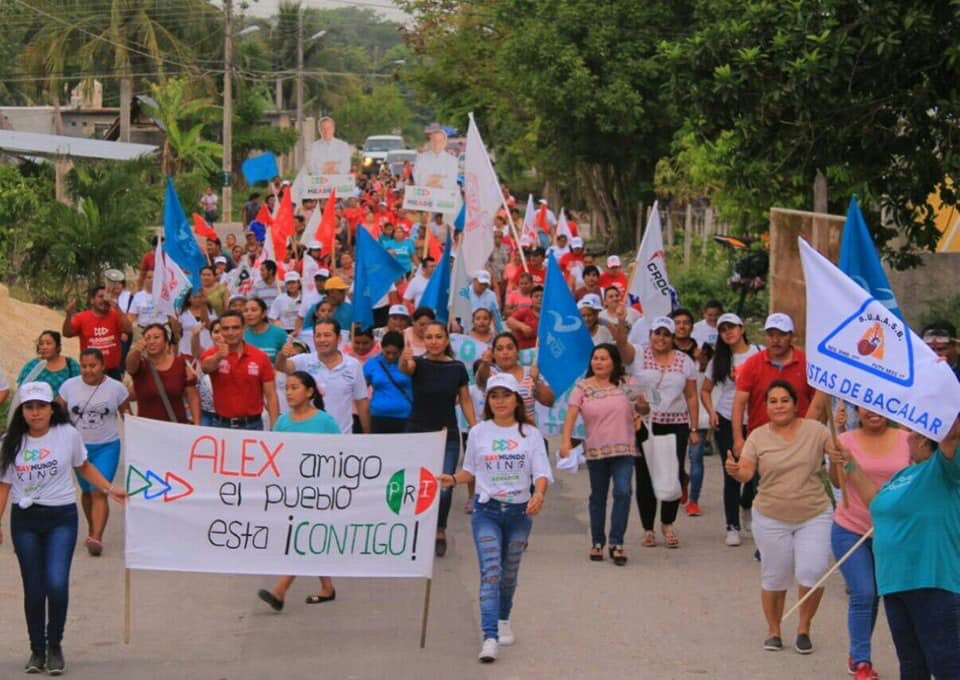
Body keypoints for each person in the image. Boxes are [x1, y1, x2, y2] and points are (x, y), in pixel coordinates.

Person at [0, 382, 126, 675]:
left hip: (61, 519)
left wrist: (109, 489)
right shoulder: (11, 441)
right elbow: (4, 486)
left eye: (41, 407)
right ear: (22, 411)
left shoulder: (67, 435)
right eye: (29, 407)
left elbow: (83, 466)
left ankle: (54, 644)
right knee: (34, 589)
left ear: (51, 408)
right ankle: (37, 650)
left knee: (55, 583)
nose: (35, 413)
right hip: (25, 521)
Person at [831, 416, 960, 680]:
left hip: (930, 581)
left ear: (925, 438)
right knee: (912, 665)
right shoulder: (905, 473)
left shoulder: (944, 469)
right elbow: (877, 502)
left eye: (910, 431)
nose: (905, 434)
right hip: (895, 583)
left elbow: (952, 433)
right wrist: (850, 464)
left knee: (946, 664)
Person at [439, 373, 552, 663]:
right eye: (494, 396)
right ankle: (489, 637)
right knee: (491, 570)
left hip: (519, 513)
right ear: (487, 400)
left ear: (517, 399)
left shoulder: (530, 434)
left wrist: (538, 495)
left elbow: (540, 472)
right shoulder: (479, 432)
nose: (500, 401)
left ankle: (503, 619)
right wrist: (452, 479)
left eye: (506, 395)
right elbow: (470, 471)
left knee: (509, 572)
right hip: (486, 511)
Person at [724, 380, 837, 655]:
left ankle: (803, 628)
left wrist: (840, 453)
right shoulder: (758, 436)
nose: (779, 405)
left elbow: (838, 476)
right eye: (773, 401)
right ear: (766, 407)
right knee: (775, 577)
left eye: (785, 400)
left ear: (796, 404)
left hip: (814, 513)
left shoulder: (818, 431)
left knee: (812, 571)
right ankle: (774, 630)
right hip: (771, 516)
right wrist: (736, 471)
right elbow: (748, 472)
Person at [826, 406, 910, 679]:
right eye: (867, 407)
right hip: (850, 529)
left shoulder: (908, 439)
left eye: (880, 407)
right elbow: (837, 484)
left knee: (878, 596)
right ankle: (861, 660)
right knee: (863, 593)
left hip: (893, 532)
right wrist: (836, 461)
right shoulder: (845, 440)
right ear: (857, 410)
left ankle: (861, 652)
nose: (874, 413)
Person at [256, 371, 340, 613]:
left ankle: (280, 591)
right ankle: (327, 587)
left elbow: (342, 454)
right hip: (290, 493)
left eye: (295, 387)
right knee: (306, 538)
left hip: (318, 493)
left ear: (310, 391)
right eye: (288, 388)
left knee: (302, 539)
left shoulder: (325, 422)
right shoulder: (282, 422)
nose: (289, 393)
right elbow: (274, 456)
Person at [560, 343, 646, 565]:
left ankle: (616, 542)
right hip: (596, 451)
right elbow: (570, 415)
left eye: (604, 358)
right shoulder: (582, 387)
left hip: (625, 449)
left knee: (623, 492)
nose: (598, 362)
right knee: (598, 496)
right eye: (595, 358)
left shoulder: (628, 383)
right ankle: (597, 541)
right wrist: (565, 442)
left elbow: (644, 409)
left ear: (614, 362)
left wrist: (642, 405)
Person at [619, 316, 699, 548]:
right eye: (657, 333)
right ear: (650, 334)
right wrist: (620, 328)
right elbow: (622, 350)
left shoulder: (684, 361)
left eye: (666, 334)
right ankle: (648, 528)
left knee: (672, 474)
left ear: (673, 338)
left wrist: (694, 428)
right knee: (645, 476)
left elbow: (691, 396)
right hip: (644, 423)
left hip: (676, 424)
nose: (660, 338)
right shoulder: (639, 355)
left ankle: (668, 522)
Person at [400, 321, 477, 556]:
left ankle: (439, 529)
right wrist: (406, 357)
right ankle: (413, 528)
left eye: (438, 337)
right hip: (417, 432)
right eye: (429, 337)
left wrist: (475, 427)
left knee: (444, 485)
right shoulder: (418, 363)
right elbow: (406, 369)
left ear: (446, 340)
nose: (433, 341)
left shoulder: (457, 368)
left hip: (447, 434)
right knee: (416, 483)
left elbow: (464, 399)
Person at [56, 349, 129, 556]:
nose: (88, 370)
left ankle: (97, 537)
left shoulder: (116, 388)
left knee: (100, 491)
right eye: (84, 366)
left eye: (93, 366)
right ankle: (92, 528)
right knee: (87, 492)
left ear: (103, 365)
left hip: (107, 446)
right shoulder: (69, 386)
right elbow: (55, 409)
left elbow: (127, 415)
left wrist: (140, 436)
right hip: (79, 449)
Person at [700, 312, 762, 545]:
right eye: (723, 329)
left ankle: (747, 504)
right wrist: (712, 412)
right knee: (732, 471)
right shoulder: (719, 359)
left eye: (732, 327)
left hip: (756, 419)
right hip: (727, 419)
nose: (728, 332)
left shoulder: (759, 352)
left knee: (757, 471)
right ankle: (732, 525)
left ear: (742, 328)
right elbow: (705, 389)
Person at [732, 312, 824, 457]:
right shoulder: (752, 364)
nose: (775, 340)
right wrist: (738, 439)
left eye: (781, 335)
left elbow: (817, 405)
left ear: (791, 337)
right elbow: (739, 403)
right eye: (771, 335)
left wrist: (808, 436)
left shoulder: (808, 364)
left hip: (799, 443)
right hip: (761, 444)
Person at [277, 319, 371, 435]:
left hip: (342, 436)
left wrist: (368, 435)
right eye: (318, 336)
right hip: (310, 436)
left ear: (339, 338)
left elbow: (361, 401)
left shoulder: (353, 365)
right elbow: (282, 366)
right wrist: (282, 355)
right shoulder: (304, 360)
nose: (322, 340)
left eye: (327, 335)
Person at [200, 311, 280, 430]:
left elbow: (271, 395)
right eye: (226, 328)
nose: (231, 332)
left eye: (235, 328)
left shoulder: (260, 356)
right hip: (221, 425)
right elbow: (206, 368)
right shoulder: (212, 353)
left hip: (253, 425)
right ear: (220, 331)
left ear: (244, 328)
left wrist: (275, 427)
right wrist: (219, 356)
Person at [476, 332, 555, 428]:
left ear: (517, 351)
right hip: (494, 435)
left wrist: (537, 380)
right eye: (500, 349)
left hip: (526, 434)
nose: (505, 352)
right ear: (493, 354)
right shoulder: (490, 373)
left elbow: (549, 401)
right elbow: (481, 381)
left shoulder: (531, 373)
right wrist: (484, 363)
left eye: (509, 348)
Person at [127, 324, 201, 424]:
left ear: (166, 342)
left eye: (156, 337)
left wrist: (197, 424)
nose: (152, 341)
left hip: (176, 427)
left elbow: (192, 397)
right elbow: (130, 366)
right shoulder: (141, 365)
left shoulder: (181, 364)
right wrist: (136, 351)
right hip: (147, 429)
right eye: (147, 338)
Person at [62, 286, 132, 381]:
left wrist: (117, 307)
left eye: (106, 296)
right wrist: (68, 315)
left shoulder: (115, 315)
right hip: (90, 371)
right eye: (100, 296)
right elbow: (67, 333)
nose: (104, 300)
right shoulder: (82, 317)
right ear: (92, 300)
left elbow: (128, 329)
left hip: (112, 372)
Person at [363, 331, 413, 433]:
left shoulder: (409, 364)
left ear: (402, 350)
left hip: (404, 416)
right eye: (387, 352)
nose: (390, 356)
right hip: (378, 415)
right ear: (382, 348)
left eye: (395, 353)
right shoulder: (372, 363)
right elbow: (361, 390)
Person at [243, 298, 289, 362]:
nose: (249, 314)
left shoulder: (278, 333)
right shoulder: (241, 335)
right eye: (245, 311)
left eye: (253, 310)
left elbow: (297, 347)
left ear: (264, 313)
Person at [177, 289, 215, 360]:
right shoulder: (182, 313)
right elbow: (177, 331)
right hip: (186, 349)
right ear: (189, 299)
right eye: (195, 297)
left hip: (207, 347)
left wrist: (204, 306)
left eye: (200, 297)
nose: (197, 299)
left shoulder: (211, 311)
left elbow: (210, 326)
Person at [506, 285, 542, 351]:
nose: (540, 298)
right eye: (536, 296)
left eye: (542, 296)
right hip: (526, 353)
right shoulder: (525, 312)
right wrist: (522, 326)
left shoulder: (550, 314)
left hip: (545, 352)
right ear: (531, 298)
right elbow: (509, 321)